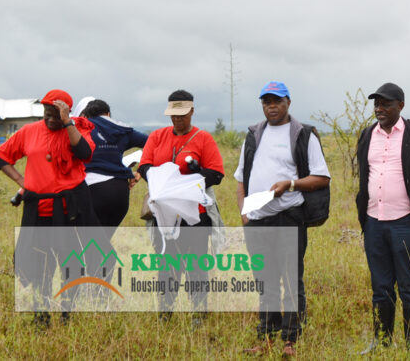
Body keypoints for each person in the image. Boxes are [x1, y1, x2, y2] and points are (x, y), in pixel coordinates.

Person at [235, 81, 331, 357]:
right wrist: (244, 214)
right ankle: (265, 337)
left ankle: (290, 339)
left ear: (288, 102)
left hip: (288, 217)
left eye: (276, 101)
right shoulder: (254, 135)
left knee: (290, 280)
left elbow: (321, 177)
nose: (271, 107)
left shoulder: (304, 134)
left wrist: (289, 184)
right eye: (266, 102)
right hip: (257, 221)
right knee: (264, 281)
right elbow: (241, 178)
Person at [0, 89, 98, 327]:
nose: (50, 119)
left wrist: (67, 123)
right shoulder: (29, 131)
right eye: (46, 114)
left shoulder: (78, 129)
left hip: (70, 208)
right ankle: (41, 315)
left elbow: (85, 153)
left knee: (69, 262)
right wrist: (24, 183)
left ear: (66, 113)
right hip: (38, 207)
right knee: (40, 262)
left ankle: (66, 313)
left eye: (55, 114)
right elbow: (1, 158)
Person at [356, 82, 410, 355]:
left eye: (386, 104)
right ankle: (381, 340)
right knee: (380, 286)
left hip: (405, 223)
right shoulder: (367, 135)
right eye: (377, 104)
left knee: (409, 286)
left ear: (400, 106)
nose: (380, 109)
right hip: (373, 223)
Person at [137, 89, 224, 322]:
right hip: (164, 215)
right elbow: (144, 167)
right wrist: (162, 177)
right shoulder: (157, 137)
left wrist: (195, 173)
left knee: (195, 264)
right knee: (166, 263)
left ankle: (198, 311)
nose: (177, 119)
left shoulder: (203, 138)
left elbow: (216, 174)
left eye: (183, 115)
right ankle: (165, 311)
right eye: (174, 115)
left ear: (192, 111)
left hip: (195, 214)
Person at [79, 99, 148, 237]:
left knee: (90, 241)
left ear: (86, 116)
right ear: (108, 114)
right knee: (103, 239)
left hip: (93, 190)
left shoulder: (83, 128)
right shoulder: (122, 130)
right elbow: (151, 143)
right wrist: (141, 171)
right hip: (120, 192)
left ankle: (106, 258)